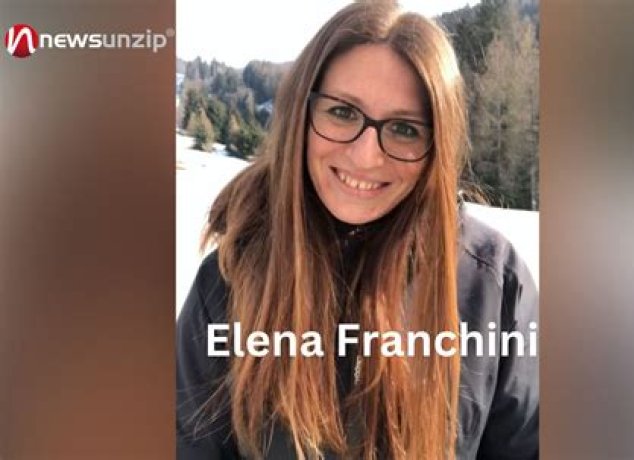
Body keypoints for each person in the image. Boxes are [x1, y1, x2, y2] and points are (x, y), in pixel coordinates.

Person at [176, 1, 538, 459]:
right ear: (301, 114)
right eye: (343, 112)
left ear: (436, 147)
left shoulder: (492, 284)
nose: (367, 156)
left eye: (404, 129)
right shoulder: (229, 283)